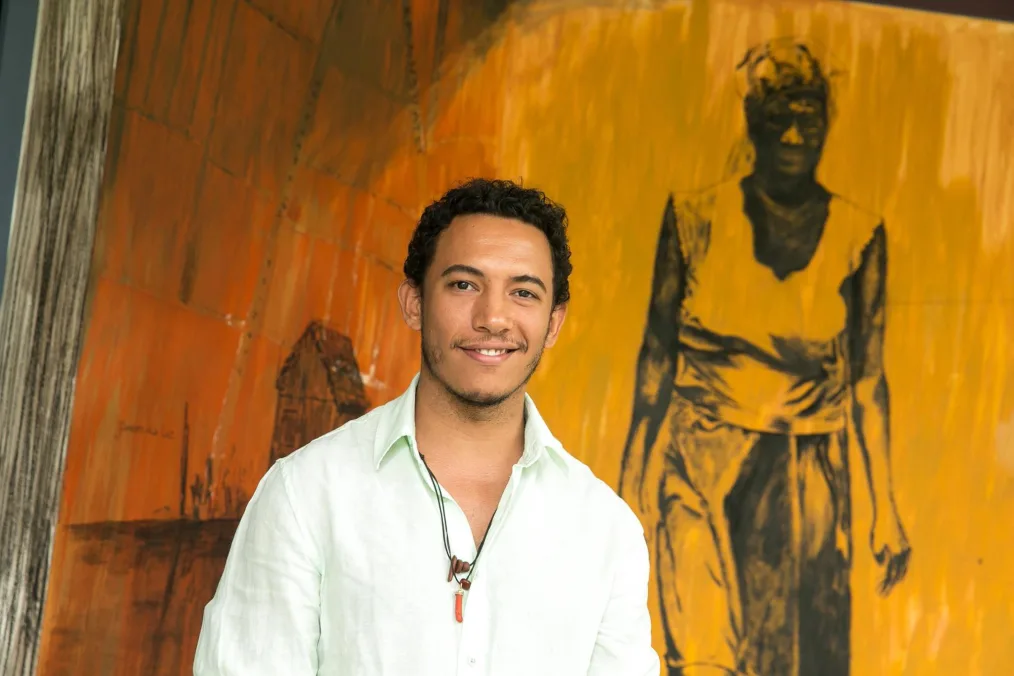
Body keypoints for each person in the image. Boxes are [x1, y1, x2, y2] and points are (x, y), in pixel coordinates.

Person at [194, 178, 660, 675]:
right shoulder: (306, 494)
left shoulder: (606, 532)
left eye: (523, 292)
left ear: (553, 324)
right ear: (414, 302)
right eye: (464, 285)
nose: (493, 318)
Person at [617, 40, 912, 675]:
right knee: (701, 659)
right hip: (700, 463)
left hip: (806, 479)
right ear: (753, 121)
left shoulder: (859, 235)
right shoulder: (694, 217)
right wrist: (631, 479)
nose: (796, 132)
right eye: (780, 115)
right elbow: (656, 357)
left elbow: (866, 381)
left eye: (809, 115)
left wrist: (885, 507)